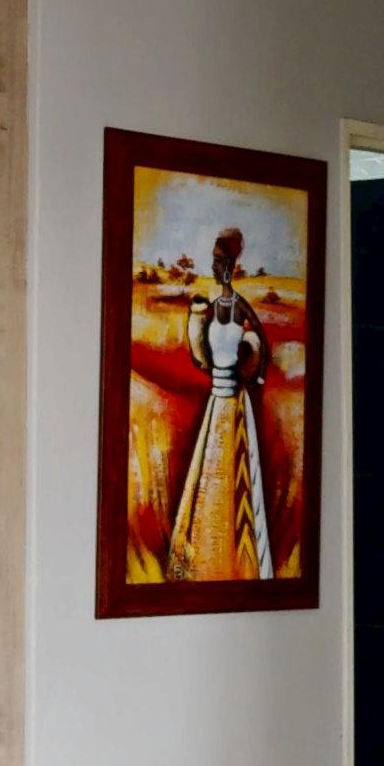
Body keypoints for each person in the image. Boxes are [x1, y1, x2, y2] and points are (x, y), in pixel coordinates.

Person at [159, 226, 282, 587]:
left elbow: (261, 344)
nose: (213, 268)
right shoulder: (211, 308)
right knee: (208, 474)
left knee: (237, 478)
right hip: (216, 400)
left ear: (229, 266)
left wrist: (256, 376)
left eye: (217, 262)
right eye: (213, 261)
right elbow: (201, 355)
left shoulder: (239, 305)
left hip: (236, 405)